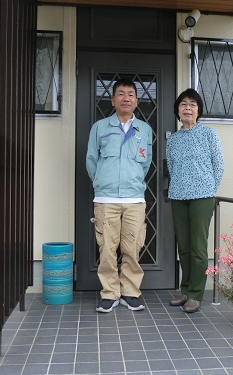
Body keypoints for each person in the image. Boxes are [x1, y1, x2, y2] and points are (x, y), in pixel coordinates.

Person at [86, 79, 153, 313]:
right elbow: (91, 161)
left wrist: (133, 183)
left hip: (134, 199)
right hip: (106, 199)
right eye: (121, 94)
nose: (126, 98)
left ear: (136, 100)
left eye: (131, 94)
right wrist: (101, 183)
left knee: (132, 248)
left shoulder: (144, 130)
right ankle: (109, 293)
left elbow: (146, 164)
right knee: (107, 248)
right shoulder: (100, 127)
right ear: (113, 100)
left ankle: (130, 292)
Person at [166, 88, 224, 313]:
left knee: (198, 246)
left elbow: (218, 166)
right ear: (177, 111)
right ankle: (185, 289)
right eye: (183, 104)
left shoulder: (209, 134)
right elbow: (172, 167)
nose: (187, 108)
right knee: (184, 247)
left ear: (198, 110)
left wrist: (208, 189)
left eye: (192, 104)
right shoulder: (174, 140)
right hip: (178, 196)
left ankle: (196, 294)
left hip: (202, 196)